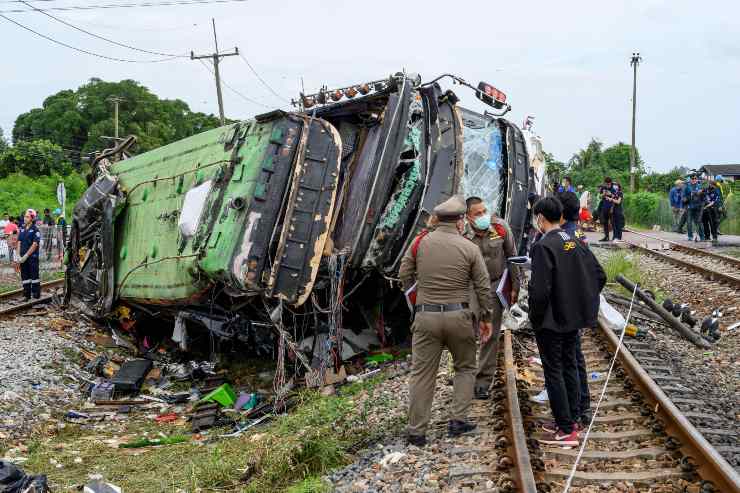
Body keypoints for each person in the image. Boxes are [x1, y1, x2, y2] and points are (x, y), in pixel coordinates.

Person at [399, 196, 494, 446]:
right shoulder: (469, 248)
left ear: (438, 219)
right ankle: (457, 421)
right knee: (465, 367)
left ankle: (417, 432)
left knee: (421, 374)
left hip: (426, 316)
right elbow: (483, 288)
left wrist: (419, 300)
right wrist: (485, 318)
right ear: (461, 220)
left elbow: (404, 274)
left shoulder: (420, 243)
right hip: (459, 317)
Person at [528, 197, 606, 446]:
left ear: (540, 218)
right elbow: (599, 275)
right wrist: (580, 299)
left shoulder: (543, 246)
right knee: (570, 366)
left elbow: (540, 291)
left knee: (554, 371)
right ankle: (572, 419)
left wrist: (536, 317)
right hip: (573, 318)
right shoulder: (574, 239)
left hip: (551, 321)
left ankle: (565, 429)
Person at [463, 196, 519, 400]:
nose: (483, 216)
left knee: (491, 334)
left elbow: (512, 257)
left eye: (484, 211)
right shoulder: (462, 233)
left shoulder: (500, 227)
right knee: (466, 332)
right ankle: (465, 375)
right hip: (471, 286)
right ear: (468, 217)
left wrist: (515, 286)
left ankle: (483, 381)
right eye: (477, 214)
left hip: (495, 285)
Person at [15, 209, 42, 300]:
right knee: (25, 276)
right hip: (22, 257)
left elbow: (35, 244)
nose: (24, 218)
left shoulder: (35, 229)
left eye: (27, 217)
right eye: (24, 216)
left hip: (32, 258)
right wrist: (18, 255)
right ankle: (26, 294)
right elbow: (19, 242)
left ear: (32, 218)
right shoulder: (22, 229)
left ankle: (36, 294)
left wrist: (26, 255)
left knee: (34, 276)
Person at [683, 175, 705, 242]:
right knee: (689, 222)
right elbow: (684, 197)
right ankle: (690, 236)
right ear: (690, 179)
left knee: (699, 222)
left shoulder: (700, 186)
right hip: (690, 207)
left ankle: (702, 237)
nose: (694, 180)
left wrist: (701, 193)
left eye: (695, 178)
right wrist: (686, 199)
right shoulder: (687, 187)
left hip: (698, 207)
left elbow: (704, 195)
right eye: (693, 178)